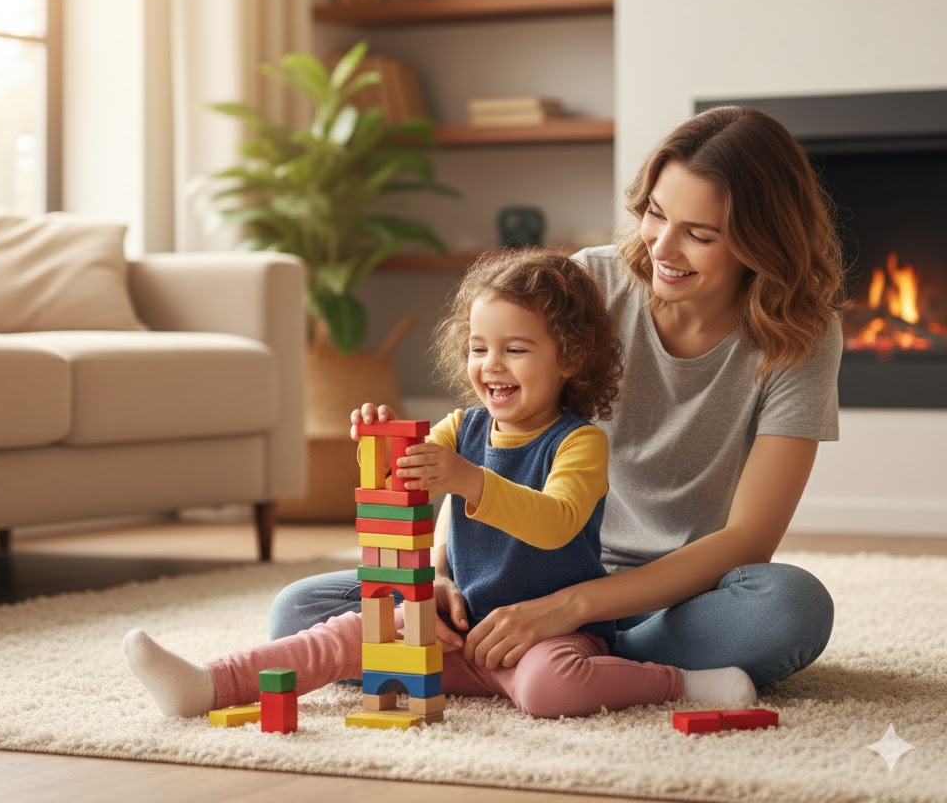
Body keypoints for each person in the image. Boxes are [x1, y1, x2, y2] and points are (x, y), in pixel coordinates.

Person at [269, 105, 847, 689]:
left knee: (791, 607)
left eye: (699, 235)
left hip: (672, 599)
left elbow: (749, 539)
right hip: (522, 574)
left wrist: (569, 609)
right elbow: (486, 442)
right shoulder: (591, 282)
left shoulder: (803, 336)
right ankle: (564, 671)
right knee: (297, 609)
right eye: (655, 213)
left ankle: (561, 661)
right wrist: (439, 576)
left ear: (761, 242)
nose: (663, 248)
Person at [123, 247, 757, 719]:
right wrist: (382, 442)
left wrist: (470, 480)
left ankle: (677, 681)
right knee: (350, 631)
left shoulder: (579, 442)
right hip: (456, 626)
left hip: (550, 633)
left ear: (569, 357)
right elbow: (406, 490)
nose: (492, 365)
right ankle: (210, 684)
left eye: (515, 349)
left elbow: (556, 523)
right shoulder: (462, 427)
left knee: (549, 689)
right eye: (479, 348)